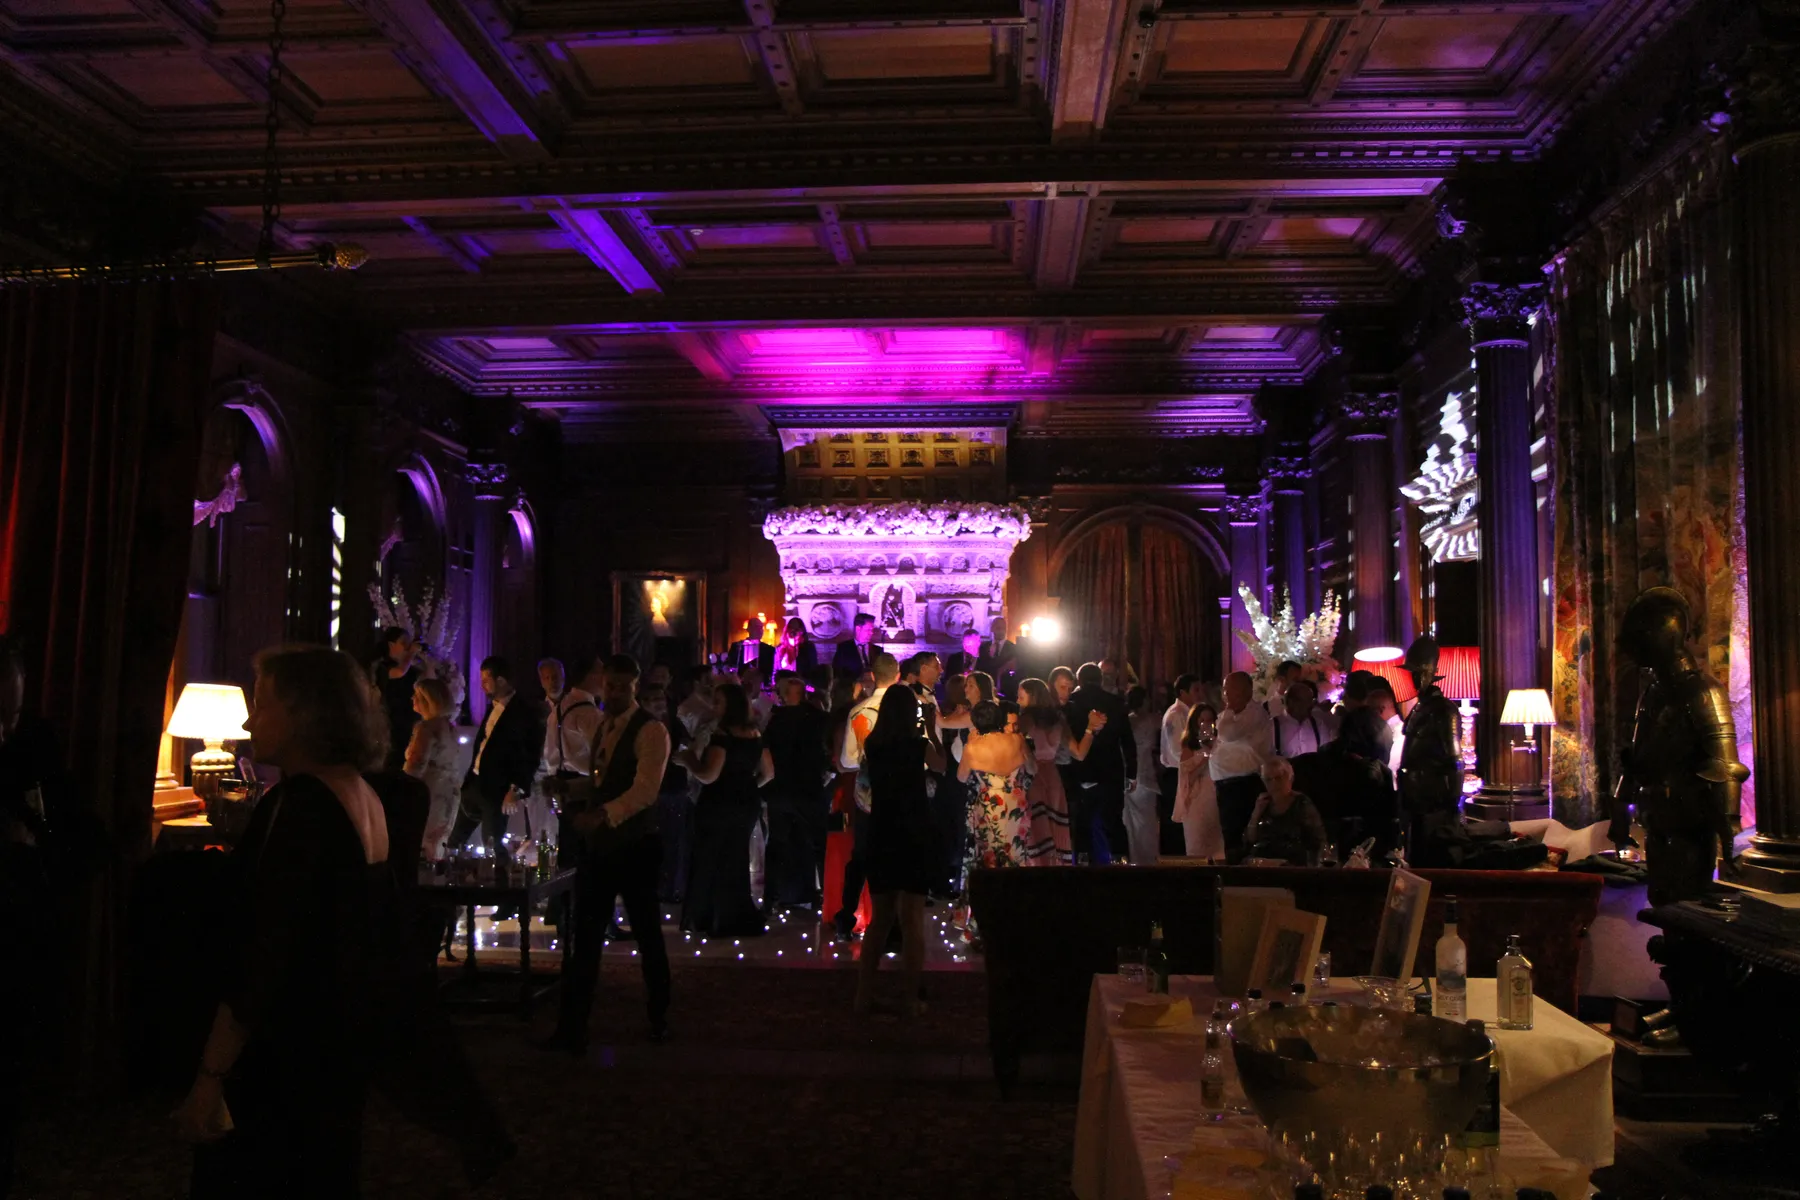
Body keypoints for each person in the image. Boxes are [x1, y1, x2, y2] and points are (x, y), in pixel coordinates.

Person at [177, 647, 396, 1197]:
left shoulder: (298, 804)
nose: (250, 721)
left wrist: (210, 1076)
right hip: (336, 1052)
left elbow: (264, 951)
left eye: (264, 704)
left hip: (284, 1058)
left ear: (306, 713)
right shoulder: (362, 793)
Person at [542, 654, 674, 1052]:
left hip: (635, 846)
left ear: (635, 686)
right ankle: (572, 1027)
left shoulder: (651, 732)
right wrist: (571, 790)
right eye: (609, 686)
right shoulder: (603, 727)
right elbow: (603, 781)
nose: (613, 693)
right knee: (585, 937)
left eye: (621, 686)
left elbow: (644, 791)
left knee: (648, 934)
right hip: (601, 848)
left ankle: (659, 1017)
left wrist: (602, 814)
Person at [854, 686, 943, 1016]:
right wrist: (930, 729)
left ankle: (863, 995)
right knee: (912, 920)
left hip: (883, 830)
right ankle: (908, 997)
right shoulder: (917, 745)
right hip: (914, 832)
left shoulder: (873, 745)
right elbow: (942, 764)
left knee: (880, 920)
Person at [677, 683, 771, 938]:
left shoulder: (723, 735)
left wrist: (688, 761)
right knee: (736, 857)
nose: (714, 706)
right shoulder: (755, 733)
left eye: (718, 701)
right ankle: (735, 913)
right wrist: (746, 786)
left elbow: (709, 775)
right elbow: (768, 772)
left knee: (712, 857)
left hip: (719, 803)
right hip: (746, 802)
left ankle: (712, 916)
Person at [832, 652, 897, 941]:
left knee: (861, 857)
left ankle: (847, 918)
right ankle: (891, 924)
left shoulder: (859, 711)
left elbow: (847, 760)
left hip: (868, 796)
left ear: (872, 676)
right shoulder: (909, 710)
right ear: (896, 675)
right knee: (895, 856)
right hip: (898, 794)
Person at [449, 657, 541, 853]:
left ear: (501, 680)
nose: (482, 686)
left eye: (485, 680)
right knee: (454, 842)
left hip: (496, 791)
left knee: (492, 846)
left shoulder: (523, 712)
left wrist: (515, 790)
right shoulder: (494, 706)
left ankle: (499, 880)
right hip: (475, 784)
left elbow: (529, 756)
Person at [762, 674, 831, 910]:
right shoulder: (816, 718)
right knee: (817, 843)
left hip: (782, 789)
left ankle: (772, 898)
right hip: (809, 787)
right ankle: (824, 896)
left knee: (778, 844)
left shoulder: (775, 720)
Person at [1017, 677, 1100, 864]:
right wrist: (1090, 729)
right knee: (1054, 830)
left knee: (1035, 831)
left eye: (1020, 697)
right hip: (1053, 777)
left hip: (1032, 775)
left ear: (1032, 695)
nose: (1017, 701)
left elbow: (1015, 743)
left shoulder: (1026, 719)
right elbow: (1079, 753)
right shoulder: (1058, 719)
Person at [1064, 663, 1137, 863]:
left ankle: (1083, 863)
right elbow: (1127, 741)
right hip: (1110, 769)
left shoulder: (1072, 703)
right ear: (1100, 679)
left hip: (1080, 768)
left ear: (1079, 681)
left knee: (1081, 823)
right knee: (1113, 821)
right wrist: (1132, 773)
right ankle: (1120, 862)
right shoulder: (1115, 702)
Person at [1315, 707, 1402, 858]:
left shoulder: (1323, 759)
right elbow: (1389, 817)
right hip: (1366, 844)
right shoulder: (1376, 770)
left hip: (1330, 843)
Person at [957, 700, 1031, 870]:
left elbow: (961, 777)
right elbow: (1032, 769)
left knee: (989, 854)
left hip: (989, 804)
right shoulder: (1016, 740)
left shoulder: (972, 747)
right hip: (1015, 802)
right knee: (1016, 851)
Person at [639, 684, 693, 903]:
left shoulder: (674, 724)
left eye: (660, 697)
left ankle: (671, 888)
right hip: (651, 792)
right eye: (652, 698)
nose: (658, 702)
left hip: (674, 789)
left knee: (674, 843)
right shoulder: (641, 726)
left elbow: (688, 746)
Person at [535, 658, 599, 845]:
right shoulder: (584, 711)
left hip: (563, 780)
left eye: (555, 676)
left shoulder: (564, 707)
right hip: (574, 782)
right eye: (547, 677)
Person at [1212, 671, 1274, 861]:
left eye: (1229, 690)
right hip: (1224, 786)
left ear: (1245, 691)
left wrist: (1223, 748)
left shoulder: (1255, 714)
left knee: (1242, 838)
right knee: (1227, 838)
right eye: (1224, 690)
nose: (1225, 695)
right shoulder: (1226, 715)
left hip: (1244, 785)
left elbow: (1227, 734)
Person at [402, 677, 461, 860]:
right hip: (448, 793)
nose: (412, 698)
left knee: (421, 843)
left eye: (416, 695)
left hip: (428, 793)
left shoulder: (426, 728)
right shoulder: (450, 728)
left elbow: (416, 765)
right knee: (437, 843)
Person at [1244, 756, 1328, 866]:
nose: (1274, 784)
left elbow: (1318, 841)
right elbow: (1250, 840)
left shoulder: (1302, 804)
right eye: (1268, 780)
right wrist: (1256, 814)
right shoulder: (1263, 803)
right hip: (1262, 862)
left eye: (1279, 778)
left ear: (1290, 778)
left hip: (1291, 864)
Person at [1158, 674, 1203, 856]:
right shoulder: (1176, 715)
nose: (1200, 694)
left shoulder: (1189, 713)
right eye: (1196, 690)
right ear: (1183, 692)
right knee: (1175, 826)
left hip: (1185, 772)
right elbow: (1178, 751)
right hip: (1176, 773)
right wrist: (1203, 757)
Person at [1173, 703, 1225, 860]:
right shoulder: (1189, 748)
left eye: (1210, 719)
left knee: (1218, 848)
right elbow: (1187, 779)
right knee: (1198, 847)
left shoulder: (1221, 744)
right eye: (1202, 720)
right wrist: (1205, 756)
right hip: (1197, 800)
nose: (1206, 723)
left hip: (1215, 799)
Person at [372, 627, 425, 773]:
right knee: (392, 762)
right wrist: (411, 653)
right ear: (391, 645)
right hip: (391, 723)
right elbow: (399, 673)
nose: (408, 646)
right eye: (404, 642)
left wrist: (427, 659)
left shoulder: (412, 669)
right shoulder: (382, 667)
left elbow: (428, 681)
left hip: (411, 721)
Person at [1124, 686, 1162, 866]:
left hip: (1129, 776)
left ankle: (1135, 860)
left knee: (1132, 824)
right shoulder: (1152, 720)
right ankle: (1149, 861)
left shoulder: (1127, 722)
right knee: (1147, 824)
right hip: (1144, 776)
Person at [1272, 680, 1335, 757]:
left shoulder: (1318, 725)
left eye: (1311, 701)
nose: (1310, 705)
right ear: (1291, 702)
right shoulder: (1273, 726)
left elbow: (1326, 754)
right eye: (1305, 701)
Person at [832, 613, 883, 678]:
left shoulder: (878, 650)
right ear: (858, 629)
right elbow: (837, 673)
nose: (871, 633)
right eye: (868, 630)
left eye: (872, 630)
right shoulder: (843, 649)